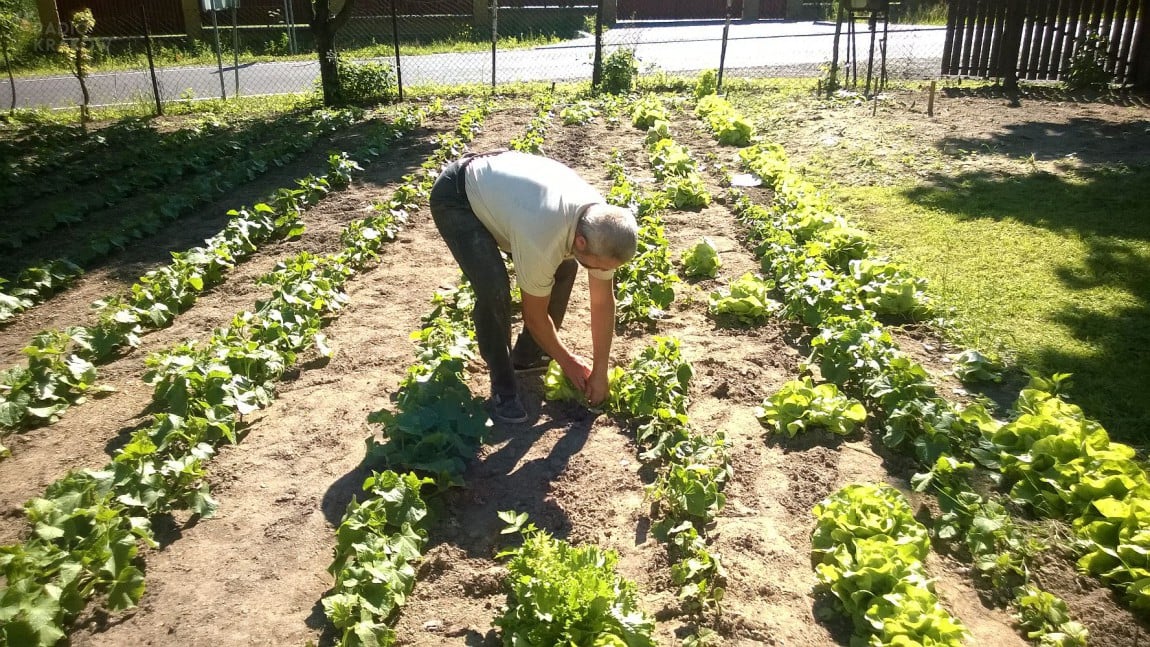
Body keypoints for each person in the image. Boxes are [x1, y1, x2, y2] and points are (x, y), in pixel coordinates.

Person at [428, 150, 638, 424]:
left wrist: (600, 370)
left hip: (509, 195)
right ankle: (503, 386)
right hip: (458, 197)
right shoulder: (543, 233)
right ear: (581, 242)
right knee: (494, 288)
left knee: (565, 267)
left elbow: (601, 302)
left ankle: (526, 357)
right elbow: (534, 314)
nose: (602, 271)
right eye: (600, 266)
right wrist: (567, 360)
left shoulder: (603, 227)